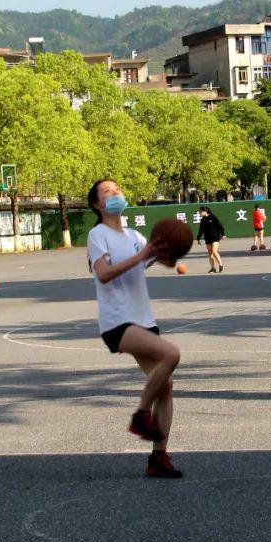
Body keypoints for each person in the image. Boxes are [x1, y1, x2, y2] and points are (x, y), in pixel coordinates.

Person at [86, 178, 183, 479]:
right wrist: (142, 256)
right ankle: (141, 415)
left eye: (117, 190)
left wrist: (173, 248)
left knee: (165, 386)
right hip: (118, 321)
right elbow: (103, 274)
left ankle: (159, 458)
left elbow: (158, 259)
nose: (115, 194)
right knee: (171, 355)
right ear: (96, 205)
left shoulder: (134, 235)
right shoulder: (97, 235)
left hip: (143, 319)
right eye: (107, 192)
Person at [196, 205, 225, 273]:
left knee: (214, 252)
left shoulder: (213, 217)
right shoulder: (203, 220)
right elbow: (201, 230)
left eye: (200, 212)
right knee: (210, 253)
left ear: (205, 211)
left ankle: (221, 265)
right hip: (207, 238)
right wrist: (198, 239)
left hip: (215, 237)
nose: (199, 213)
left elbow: (220, 225)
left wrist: (223, 234)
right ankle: (213, 268)